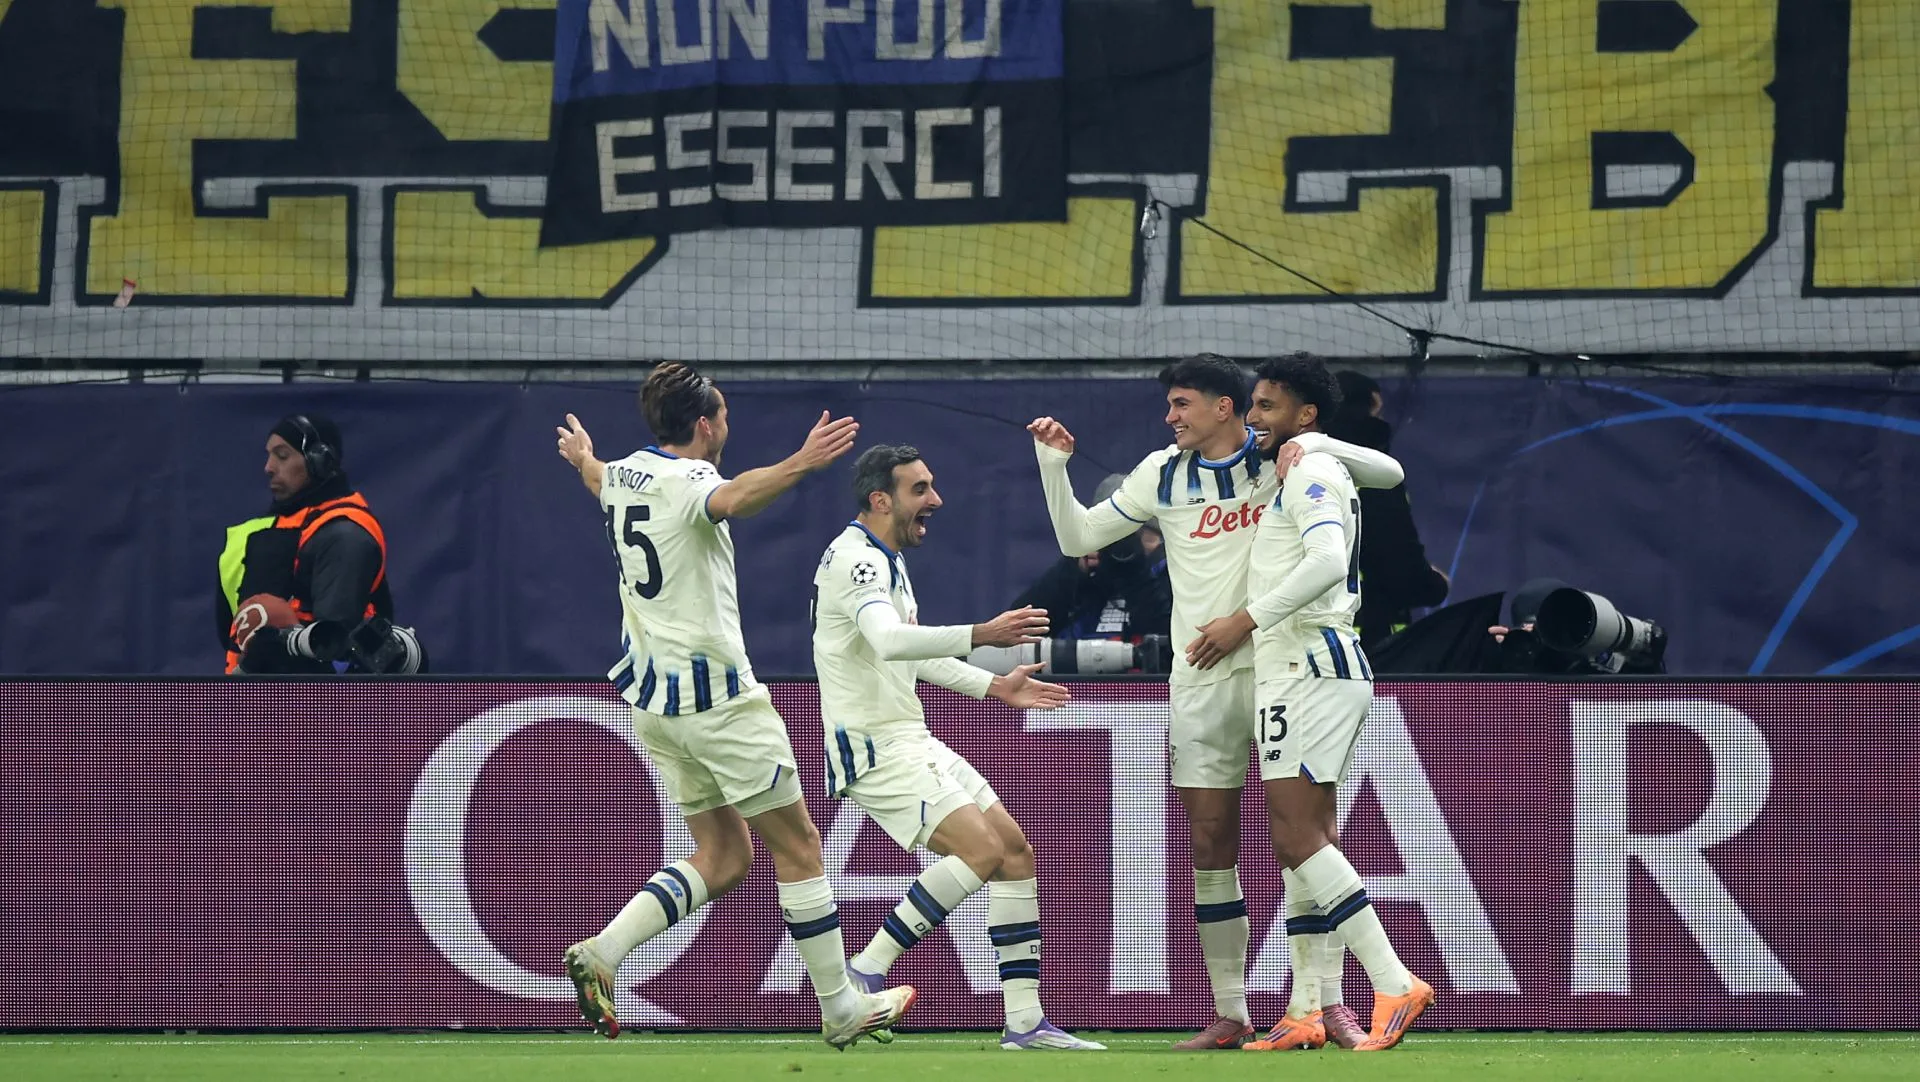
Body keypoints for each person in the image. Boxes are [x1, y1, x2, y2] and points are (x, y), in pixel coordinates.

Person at [1026, 353, 1402, 1050]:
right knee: (1209, 840)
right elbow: (1077, 536)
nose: (1170, 417)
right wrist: (1055, 466)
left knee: (1303, 835)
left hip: (1281, 665)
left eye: (1182, 404)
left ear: (1223, 407)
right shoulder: (1162, 473)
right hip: (1201, 674)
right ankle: (1231, 1011)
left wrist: (1316, 443)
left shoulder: (1278, 457)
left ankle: (1322, 1003)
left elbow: (1387, 472)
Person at [553, 363, 914, 1049]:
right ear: (704, 425)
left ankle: (603, 950)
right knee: (799, 845)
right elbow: (734, 497)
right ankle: (840, 1006)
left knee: (724, 854)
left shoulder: (622, 474)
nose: (726, 423)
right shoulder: (693, 480)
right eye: (722, 413)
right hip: (719, 702)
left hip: (655, 703)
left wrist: (582, 458)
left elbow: (598, 479)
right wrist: (803, 461)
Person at [813, 445, 1105, 1051]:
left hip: (910, 736)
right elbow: (890, 641)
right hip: (875, 746)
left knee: (1015, 853)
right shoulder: (858, 562)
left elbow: (910, 652)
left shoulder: (884, 559)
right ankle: (865, 970)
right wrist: (984, 634)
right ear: (880, 499)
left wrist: (995, 686)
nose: (936, 500)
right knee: (982, 850)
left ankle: (1024, 1023)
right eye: (920, 489)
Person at [1186, 356, 1432, 1052]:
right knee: (1311, 840)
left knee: (1296, 837)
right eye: (1253, 404)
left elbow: (1325, 561)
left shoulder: (1308, 469)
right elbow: (1392, 472)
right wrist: (1319, 442)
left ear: (1306, 414)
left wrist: (1244, 621)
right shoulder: (1313, 461)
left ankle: (1393, 981)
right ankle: (1305, 1010)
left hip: (1304, 663)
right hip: (1319, 664)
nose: (1253, 417)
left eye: (1267, 406)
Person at [215, 413, 425, 674]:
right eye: (269, 455)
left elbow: (331, 642)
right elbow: (231, 633)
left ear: (321, 461)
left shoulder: (345, 533)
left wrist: (277, 648)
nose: (268, 467)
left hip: (317, 696)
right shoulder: (248, 535)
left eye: (282, 456)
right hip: (244, 693)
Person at [1325, 371, 1449, 647]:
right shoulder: (1378, 475)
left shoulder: (1292, 468)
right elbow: (1399, 566)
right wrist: (1434, 584)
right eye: (1378, 413)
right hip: (1369, 642)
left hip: (1306, 639)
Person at [1012, 474, 1173, 645]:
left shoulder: (1174, 574)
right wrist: (1073, 568)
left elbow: (1171, 638)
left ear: (1157, 536)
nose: (1121, 544)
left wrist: (1135, 574)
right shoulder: (1087, 577)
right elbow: (1016, 631)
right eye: (1112, 534)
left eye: (1131, 535)